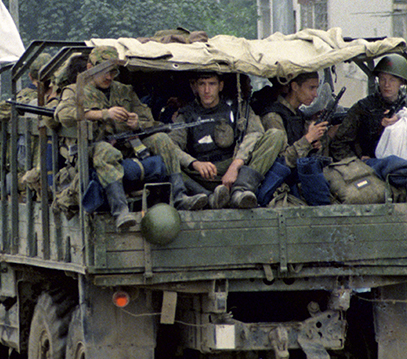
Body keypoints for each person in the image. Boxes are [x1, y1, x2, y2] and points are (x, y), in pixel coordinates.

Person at [55, 46, 206, 226]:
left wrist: (137, 123)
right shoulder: (75, 90)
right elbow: (62, 114)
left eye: (113, 71)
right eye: (103, 71)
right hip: (93, 148)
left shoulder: (124, 90)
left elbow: (148, 119)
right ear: (90, 68)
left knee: (162, 140)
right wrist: (102, 114)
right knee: (105, 151)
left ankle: (179, 196)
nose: (109, 77)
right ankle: (121, 211)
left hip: (128, 146)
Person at [329, 54, 407, 200]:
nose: (386, 84)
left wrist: (404, 118)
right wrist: (359, 162)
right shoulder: (363, 108)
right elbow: (339, 144)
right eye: (383, 79)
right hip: (376, 167)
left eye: (392, 80)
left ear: (401, 82)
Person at [170, 70, 286, 209]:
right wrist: (194, 163)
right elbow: (172, 146)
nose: (207, 90)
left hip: (235, 169)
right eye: (202, 84)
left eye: (212, 84)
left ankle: (240, 191)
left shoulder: (237, 108)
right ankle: (208, 197)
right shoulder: (187, 114)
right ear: (195, 87)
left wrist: (235, 165)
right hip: (202, 174)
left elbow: (255, 134)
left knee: (275, 135)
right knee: (164, 158)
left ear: (221, 86)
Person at [261, 72, 329, 168]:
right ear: (295, 86)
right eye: (311, 88)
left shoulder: (299, 115)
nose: (315, 94)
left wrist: (314, 145)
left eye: (316, 89)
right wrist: (308, 139)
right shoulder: (274, 116)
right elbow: (281, 161)